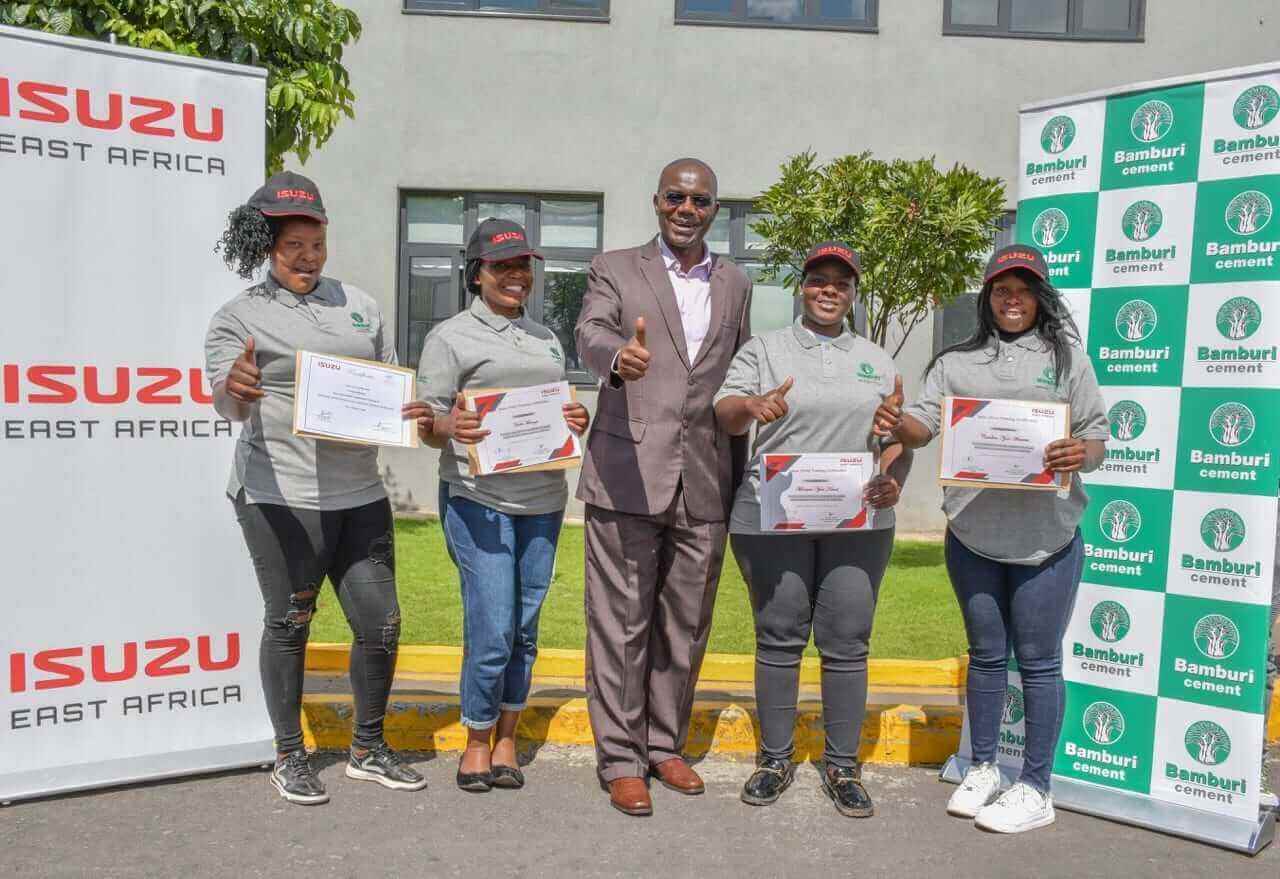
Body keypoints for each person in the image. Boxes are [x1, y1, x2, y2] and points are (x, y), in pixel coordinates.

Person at [206, 171, 426, 805]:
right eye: (292, 246)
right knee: (290, 622)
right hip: (280, 494)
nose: (307, 259)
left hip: (359, 492)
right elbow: (226, 398)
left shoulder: (359, 304)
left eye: (316, 244)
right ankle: (289, 754)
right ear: (266, 244)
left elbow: (382, 381)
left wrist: (402, 407)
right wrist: (236, 391)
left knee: (381, 623)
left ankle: (368, 747)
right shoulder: (237, 317)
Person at [876, 243, 1108, 834]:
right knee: (984, 656)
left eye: (1024, 289)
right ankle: (982, 767)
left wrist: (1080, 452)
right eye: (1002, 289)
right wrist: (898, 422)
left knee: (1037, 663)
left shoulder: (1069, 360)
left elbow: (1097, 440)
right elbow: (923, 428)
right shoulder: (956, 362)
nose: (1013, 299)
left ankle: (1036, 785)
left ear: (1040, 297)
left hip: (1046, 540)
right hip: (974, 534)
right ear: (987, 296)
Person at [574, 158, 753, 816]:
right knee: (621, 624)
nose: (687, 207)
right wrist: (617, 357)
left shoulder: (736, 283)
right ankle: (620, 757)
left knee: (686, 623)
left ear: (714, 208)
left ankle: (662, 743)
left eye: (700, 199)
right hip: (626, 472)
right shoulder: (616, 267)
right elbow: (590, 330)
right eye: (675, 196)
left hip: (706, 476)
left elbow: (738, 374)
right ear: (656, 201)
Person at [714, 242, 912, 817]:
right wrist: (752, 406)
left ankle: (842, 766)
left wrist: (893, 472)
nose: (829, 290)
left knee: (847, 641)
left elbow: (894, 435)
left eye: (841, 283)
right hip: (772, 514)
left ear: (853, 293)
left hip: (858, 517)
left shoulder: (876, 358)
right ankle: (774, 759)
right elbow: (723, 412)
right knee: (779, 636)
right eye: (818, 280)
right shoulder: (766, 350)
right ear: (802, 287)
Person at [409, 218, 590, 792]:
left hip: (542, 498)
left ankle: (509, 734)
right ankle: (479, 739)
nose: (516, 276)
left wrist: (573, 421)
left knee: (526, 628)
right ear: (477, 272)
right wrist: (448, 425)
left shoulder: (545, 337)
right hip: (477, 498)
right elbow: (426, 425)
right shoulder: (450, 336)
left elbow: (554, 407)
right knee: (492, 625)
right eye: (502, 266)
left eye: (523, 266)